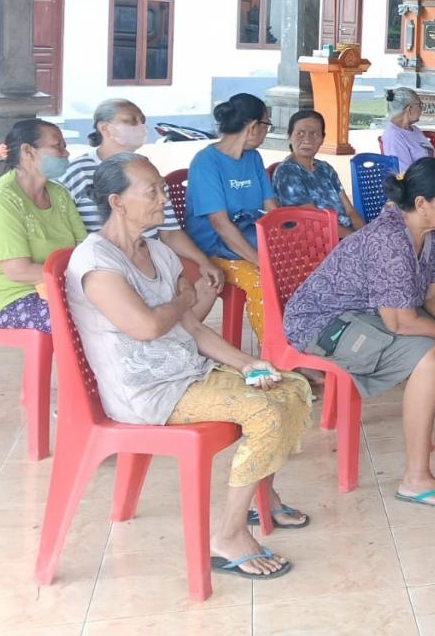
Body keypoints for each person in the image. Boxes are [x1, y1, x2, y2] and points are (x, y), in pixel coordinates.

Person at [68, 153, 311, 576]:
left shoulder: (158, 251)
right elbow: (148, 327)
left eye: (163, 189)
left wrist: (248, 362)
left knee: (288, 386)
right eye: (153, 192)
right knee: (265, 411)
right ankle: (229, 536)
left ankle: (261, 497)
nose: (165, 199)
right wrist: (182, 299)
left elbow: (193, 328)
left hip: (187, 373)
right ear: (117, 202)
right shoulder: (97, 263)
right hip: (148, 391)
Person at [284, 157, 435, 507]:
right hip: (322, 324)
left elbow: (434, 297)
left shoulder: (428, 233)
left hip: (368, 313)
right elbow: (401, 323)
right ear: (422, 203)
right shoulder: (389, 240)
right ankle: (415, 479)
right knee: (429, 355)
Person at [60, 99, 225, 295]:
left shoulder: (148, 171)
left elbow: (170, 232)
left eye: (142, 120)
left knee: (205, 286)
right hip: (104, 264)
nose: (140, 126)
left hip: (147, 259)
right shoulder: (77, 171)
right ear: (104, 128)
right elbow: (63, 230)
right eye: (131, 121)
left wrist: (203, 261)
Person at [183, 94, 278, 340]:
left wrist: (284, 245)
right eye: (266, 125)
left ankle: (297, 342)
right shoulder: (206, 162)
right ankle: (273, 350)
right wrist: (261, 262)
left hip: (249, 239)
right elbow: (220, 224)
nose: (265, 132)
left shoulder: (253, 158)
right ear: (253, 127)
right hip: (215, 248)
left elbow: (272, 209)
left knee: (298, 268)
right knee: (262, 280)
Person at [0, 119, 86, 332]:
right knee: (82, 316)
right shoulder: (0, 199)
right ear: (28, 151)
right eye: (57, 146)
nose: (66, 153)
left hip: (55, 288)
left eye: (64, 146)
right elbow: (19, 271)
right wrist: (85, 283)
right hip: (4, 296)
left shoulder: (59, 194)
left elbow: (83, 248)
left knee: (118, 303)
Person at [272, 111, 363, 237]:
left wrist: (365, 235)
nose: (307, 139)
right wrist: (356, 239)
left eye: (314, 134)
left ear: (322, 139)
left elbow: (350, 211)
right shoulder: (287, 172)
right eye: (300, 133)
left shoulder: (325, 168)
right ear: (289, 136)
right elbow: (315, 222)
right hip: (320, 240)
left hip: (347, 236)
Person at [382, 87, 433, 171]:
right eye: (419, 105)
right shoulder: (394, 135)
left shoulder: (415, 130)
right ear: (409, 109)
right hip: (419, 178)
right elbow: (403, 172)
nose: (421, 109)